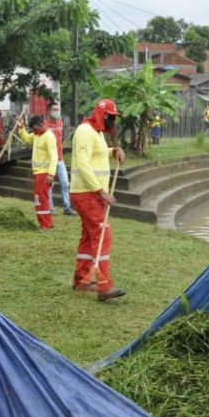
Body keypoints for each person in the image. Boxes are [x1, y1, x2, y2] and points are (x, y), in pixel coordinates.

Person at [70, 98, 126, 300]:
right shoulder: (84, 131)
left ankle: (81, 280)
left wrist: (114, 151)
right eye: (111, 117)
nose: (113, 122)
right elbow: (84, 164)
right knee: (103, 233)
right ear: (103, 115)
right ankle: (104, 286)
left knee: (88, 235)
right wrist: (101, 192)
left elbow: (97, 155)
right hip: (87, 193)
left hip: (90, 193)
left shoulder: (96, 133)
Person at [16, 114, 58, 230]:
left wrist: (50, 174)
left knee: (41, 199)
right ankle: (45, 222)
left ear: (41, 125)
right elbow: (26, 139)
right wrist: (21, 128)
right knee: (40, 198)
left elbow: (54, 156)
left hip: (44, 174)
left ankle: (46, 224)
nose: (33, 131)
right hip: (37, 173)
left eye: (34, 129)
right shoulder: (36, 134)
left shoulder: (49, 137)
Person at [45, 101, 74, 215]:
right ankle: (50, 208)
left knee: (65, 184)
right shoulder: (44, 126)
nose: (57, 112)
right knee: (49, 185)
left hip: (60, 159)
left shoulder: (60, 124)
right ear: (48, 111)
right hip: (49, 161)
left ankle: (67, 208)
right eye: (54, 110)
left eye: (58, 110)